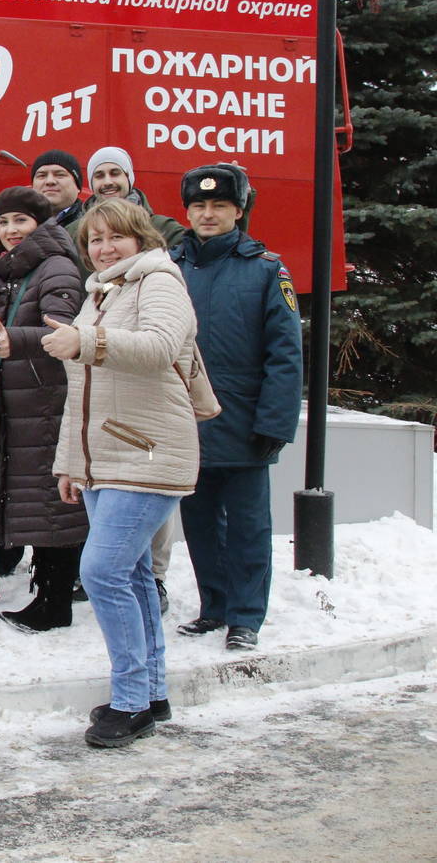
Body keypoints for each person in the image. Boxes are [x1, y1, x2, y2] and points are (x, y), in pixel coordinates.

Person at [45, 198, 201, 747]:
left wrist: (83, 340)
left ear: (141, 238)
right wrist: (71, 462)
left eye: (116, 237)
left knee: (103, 573)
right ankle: (151, 695)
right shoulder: (102, 292)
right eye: (95, 240)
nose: (104, 248)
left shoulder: (160, 281)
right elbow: (82, 390)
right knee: (130, 575)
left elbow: (158, 350)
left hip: (148, 450)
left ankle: (130, 701)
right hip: (103, 456)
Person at [170, 164, 302, 651]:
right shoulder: (170, 265)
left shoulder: (267, 269)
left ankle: (246, 616)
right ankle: (215, 607)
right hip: (183, 420)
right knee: (199, 522)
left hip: (244, 422)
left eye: (219, 206)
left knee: (247, 527)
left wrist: (275, 423)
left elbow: (286, 355)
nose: (208, 214)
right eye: (199, 206)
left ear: (238, 211)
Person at [0, 186, 85, 633]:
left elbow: (64, 330)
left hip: (46, 402)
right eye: (3, 222)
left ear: (41, 224)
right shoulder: (12, 269)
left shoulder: (55, 266)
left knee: (52, 505)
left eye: (20, 221)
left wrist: (16, 342)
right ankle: (46, 593)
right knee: (38, 501)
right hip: (23, 400)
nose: (10, 230)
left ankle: (55, 602)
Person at [70, 147, 187, 250]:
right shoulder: (72, 233)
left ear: (129, 178)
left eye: (115, 173)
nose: (108, 182)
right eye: (99, 176)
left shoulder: (164, 229)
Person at [30, 149, 87, 231]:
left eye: (60, 175)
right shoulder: (17, 225)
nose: (50, 181)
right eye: (42, 176)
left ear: (77, 186)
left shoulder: (93, 224)